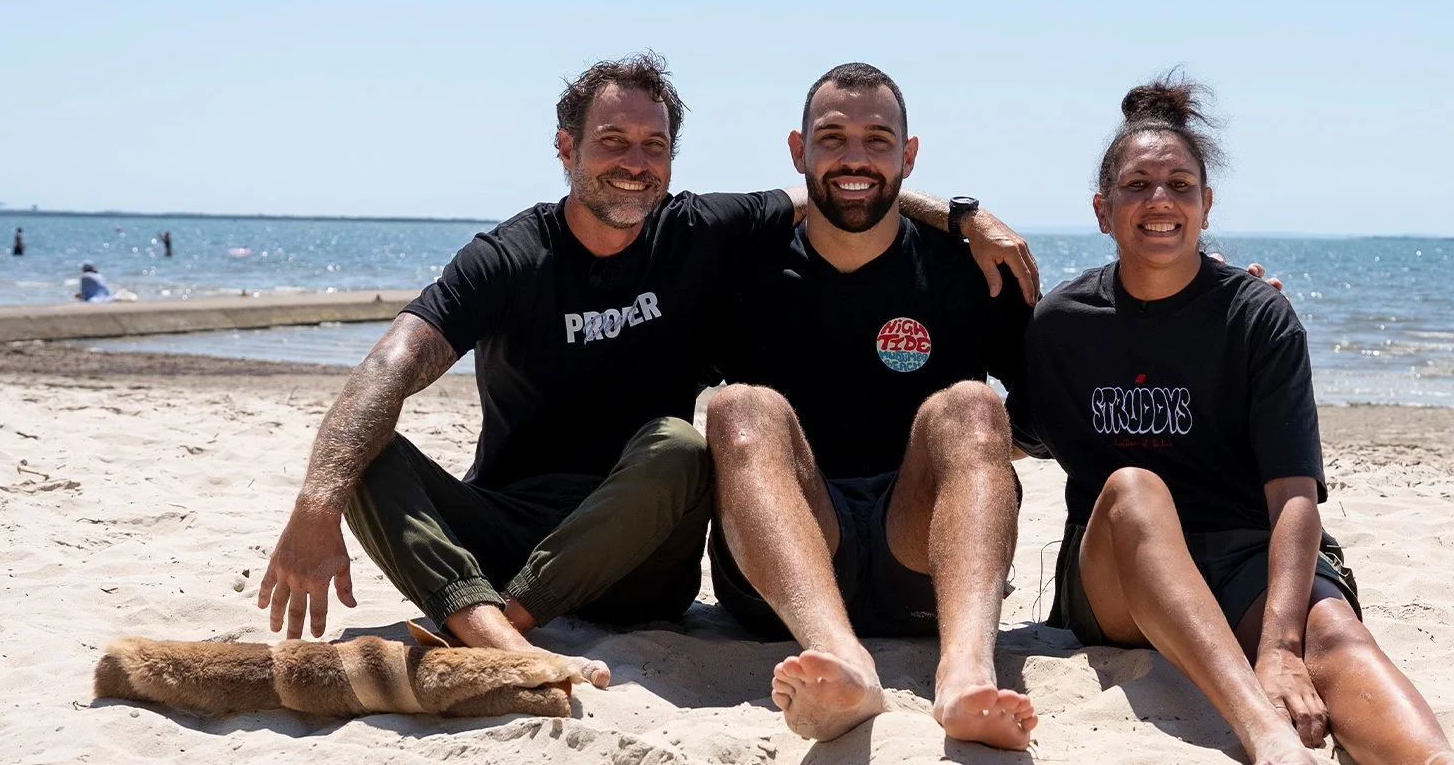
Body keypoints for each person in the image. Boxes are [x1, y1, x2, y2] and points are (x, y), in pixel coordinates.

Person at [256, 54, 1033, 655]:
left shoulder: (697, 234)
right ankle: (483, 620)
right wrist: (315, 505)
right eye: (613, 142)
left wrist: (964, 216)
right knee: (363, 447)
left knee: (677, 444)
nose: (634, 161)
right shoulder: (508, 257)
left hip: (641, 550)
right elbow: (394, 362)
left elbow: (850, 190)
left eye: (653, 145)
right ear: (566, 148)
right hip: (503, 521)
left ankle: (499, 626)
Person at [1015, 74, 1454, 765]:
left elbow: (1293, 497)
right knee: (1135, 487)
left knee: (1330, 633)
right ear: (1104, 211)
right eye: (1137, 186)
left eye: (1180, 184)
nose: (1160, 201)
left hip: (1244, 554)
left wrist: (1279, 646)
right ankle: (1261, 728)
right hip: (1116, 578)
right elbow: (1012, 435)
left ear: (1206, 205)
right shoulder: (1060, 323)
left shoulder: (1256, 316)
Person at [705, 64, 1043, 750]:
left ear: (908, 156)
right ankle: (842, 660)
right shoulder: (742, 268)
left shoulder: (968, 267)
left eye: (877, 140)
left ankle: (967, 672)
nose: (854, 157)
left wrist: (1214, 314)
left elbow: (1049, 412)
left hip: (919, 563)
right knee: (739, 405)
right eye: (832, 138)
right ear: (798, 151)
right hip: (785, 577)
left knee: (973, 405)